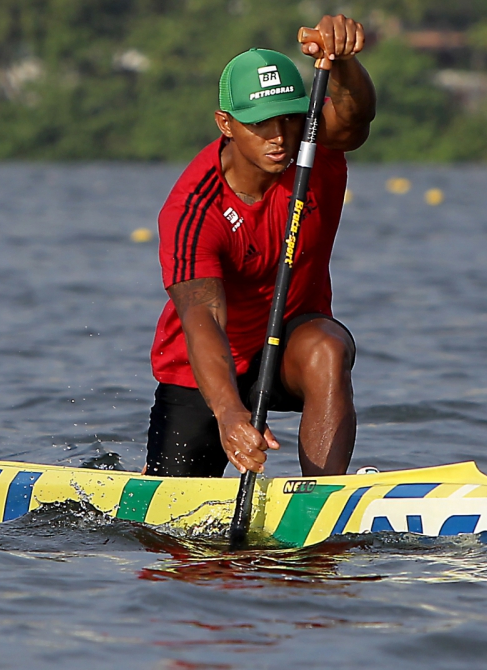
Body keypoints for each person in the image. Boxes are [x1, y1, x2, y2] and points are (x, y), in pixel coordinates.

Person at [145, 15, 375, 479]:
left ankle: (322, 496)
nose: (279, 138)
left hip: (288, 348)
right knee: (175, 537)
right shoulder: (193, 208)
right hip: (205, 373)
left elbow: (353, 118)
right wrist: (230, 414)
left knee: (326, 348)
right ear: (225, 124)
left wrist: (345, 62)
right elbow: (203, 317)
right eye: (260, 125)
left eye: (290, 120)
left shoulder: (313, 149)